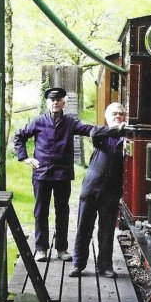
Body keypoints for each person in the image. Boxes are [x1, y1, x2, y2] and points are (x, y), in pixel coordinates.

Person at [13, 87, 124, 262]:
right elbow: (19, 136)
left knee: (62, 211)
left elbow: (90, 130)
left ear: (64, 103)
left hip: (62, 176)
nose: (55, 103)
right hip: (41, 174)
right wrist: (25, 158)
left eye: (59, 100)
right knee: (41, 211)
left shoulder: (70, 123)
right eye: (52, 100)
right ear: (48, 103)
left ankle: (61, 248)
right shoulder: (38, 121)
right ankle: (41, 248)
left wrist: (115, 130)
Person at [69, 102, 129, 278]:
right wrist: (117, 130)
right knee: (84, 226)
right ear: (106, 116)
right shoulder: (101, 132)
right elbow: (93, 133)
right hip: (91, 188)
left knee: (107, 229)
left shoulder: (127, 137)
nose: (118, 116)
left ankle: (104, 266)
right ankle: (78, 264)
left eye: (121, 114)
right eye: (114, 114)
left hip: (111, 190)